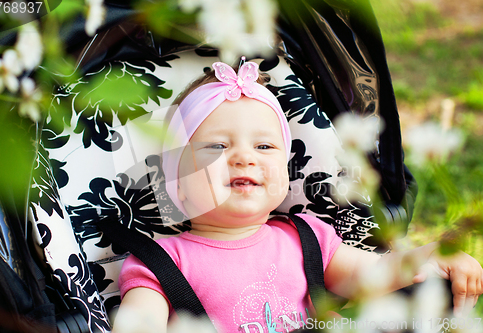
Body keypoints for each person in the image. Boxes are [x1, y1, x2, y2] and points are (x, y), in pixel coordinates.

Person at [112, 60, 483, 333]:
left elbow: (375, 273)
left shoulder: (306, 238)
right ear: (177, 182)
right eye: (216, 146)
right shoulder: (162, 263)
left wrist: (432, 253)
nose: (245, 157)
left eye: (264, 145)